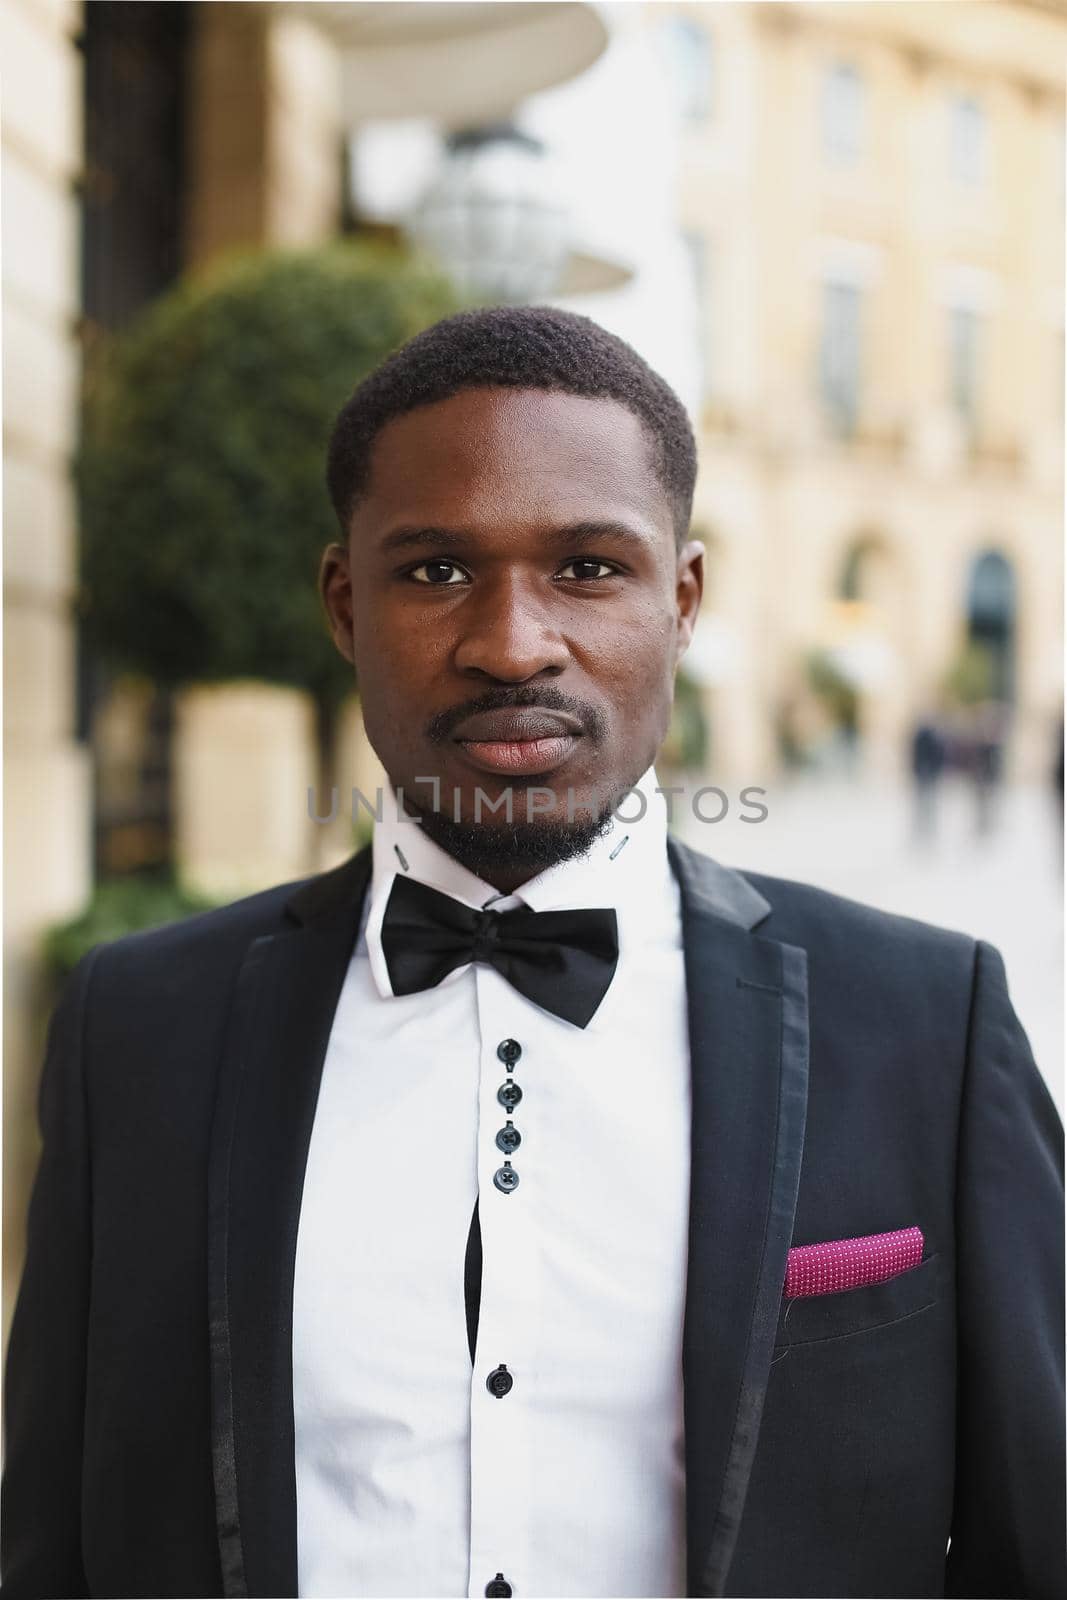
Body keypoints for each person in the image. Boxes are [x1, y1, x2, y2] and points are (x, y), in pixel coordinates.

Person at [2, 306, 1063, 1600]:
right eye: (437, 570)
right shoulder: (138, 1029)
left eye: (589, 569)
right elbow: (53, 1541)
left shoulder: (927, 1024)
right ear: (344, 603)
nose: (512, 642)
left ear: (683, 602)